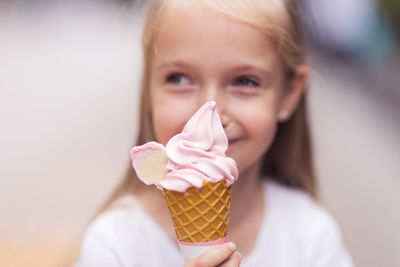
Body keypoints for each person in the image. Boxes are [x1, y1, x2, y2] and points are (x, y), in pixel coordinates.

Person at [75, 0, 354, 266]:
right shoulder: (114, 245)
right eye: (179, 78)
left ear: (288, 94)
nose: (210, 113)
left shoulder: (313, 238)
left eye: (245, 81)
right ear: (148, 87)